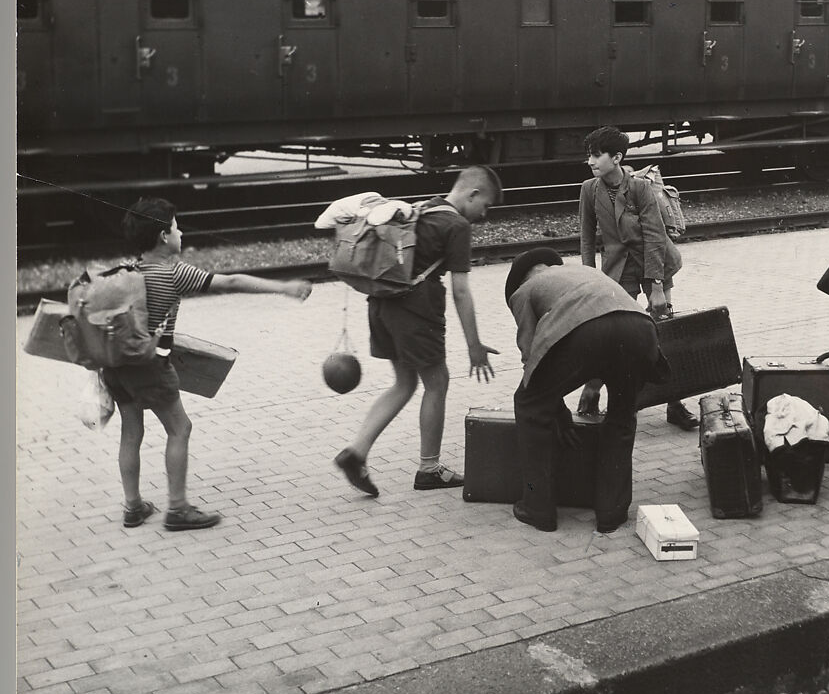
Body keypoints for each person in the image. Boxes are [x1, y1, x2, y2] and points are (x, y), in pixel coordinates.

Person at [104, 197, 312, 531]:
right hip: (151, 367)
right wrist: (283, 287)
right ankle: (177, 509)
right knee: (179, 428)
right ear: (162, 236)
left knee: (131, 430)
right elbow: (230, 282)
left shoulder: (131, 268)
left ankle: (133, 506)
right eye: (176, 227)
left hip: (117, 366)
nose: (180, 232)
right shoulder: (173, 272)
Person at [333, 166, 502, 497]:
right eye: (486, 206)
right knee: (437, 383)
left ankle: (356, 452)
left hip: (381, 303)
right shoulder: (456, 225)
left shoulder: (424, 207)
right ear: (473, 194)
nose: (484, 214)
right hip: (415, 309)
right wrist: (474, 345)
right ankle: (429, 468)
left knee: (405, 382)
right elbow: (461, 291)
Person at [505, 248, 670, 534]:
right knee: (621, 418)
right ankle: (611, 513)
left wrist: (556, 410)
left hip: (586, 332)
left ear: (522, 278)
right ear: (547, 265)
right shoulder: (586, 272)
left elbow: (531, 358)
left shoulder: (524, 292)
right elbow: (609, 323)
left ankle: (537, 506)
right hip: (642, 330)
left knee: (529, 405)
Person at [577, 126, 699, 431]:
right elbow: (587, 238)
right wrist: (591, 275)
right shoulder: (589, 189)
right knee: (608, 333)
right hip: (617, 269)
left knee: (664, 330)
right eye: (588, 154)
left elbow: (655, 235)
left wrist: (656, 286)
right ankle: (591, 391)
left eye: (596, 155)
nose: (590, 161)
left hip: (653, 263)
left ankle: (675, 402)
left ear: (616, 157)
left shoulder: (640, 188)